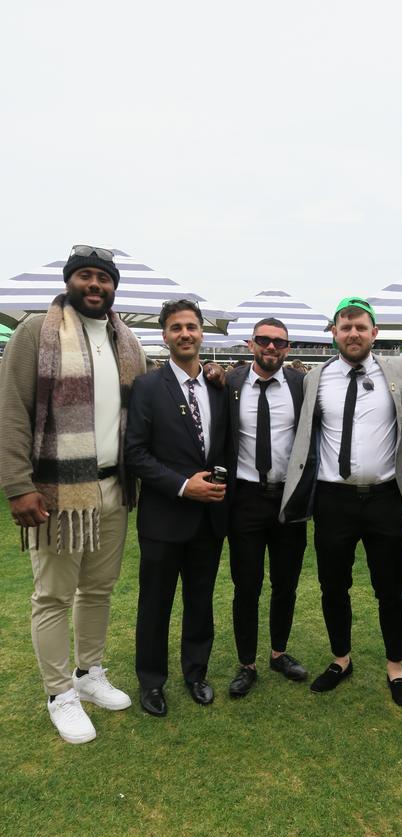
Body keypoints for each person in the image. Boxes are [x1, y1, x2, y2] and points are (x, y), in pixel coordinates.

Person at [0, 246, 146, 744]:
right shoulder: (35, 332)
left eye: (104, 279)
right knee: (54, 595)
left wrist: (205, 376)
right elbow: (13, 411)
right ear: (69, 282)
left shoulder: (126, 340)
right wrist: (18, 485)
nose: (95, 285)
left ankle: (89, 674)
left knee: (99, 589)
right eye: (86, 276)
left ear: (113, 288)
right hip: (58, 489)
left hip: (114, 487)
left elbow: (149, 401)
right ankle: (59, 692)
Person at [280, 297, 402, 706]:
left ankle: (396, 667)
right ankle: (341, 659)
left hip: (384, 498)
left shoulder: (401, 370)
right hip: (333, 500)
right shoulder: (315, 377)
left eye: (361, 326)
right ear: (334, 333)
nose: (353, 333)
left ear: (374, 333)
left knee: (390, 586)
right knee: (333, 585)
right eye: (345, 326)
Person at [125, 300, 229, 717]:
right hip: (164, 518)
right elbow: (135, 453)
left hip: (209, 520)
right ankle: (151, 681)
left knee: (200, 603)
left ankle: (196, 673)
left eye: (191, 326)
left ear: (202, 332)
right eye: (175, 328)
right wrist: (185, 486)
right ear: (164, 336)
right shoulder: (147, 387)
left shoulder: (219, 386)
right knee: (155, 604)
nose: (184, 334)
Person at [226, 318, 308, 697]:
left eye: (279, 342)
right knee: (246, 585)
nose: (271, 347)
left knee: (286, 583)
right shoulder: (229, 383)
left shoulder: (300, 384)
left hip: (288, 498)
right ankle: (247, 663)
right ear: (250, 344)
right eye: (264, 340)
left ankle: (278, 652)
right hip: (245, 498)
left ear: (288, 348)